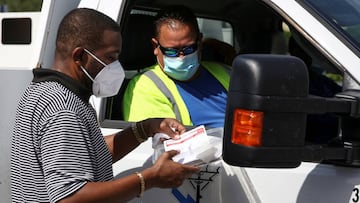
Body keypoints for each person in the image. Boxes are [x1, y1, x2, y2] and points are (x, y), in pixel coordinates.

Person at [10, 8, 200, 203]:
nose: (116, 66)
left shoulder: (45, 91)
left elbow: (88, 155)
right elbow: (70, 198)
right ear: (80, 57)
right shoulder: (63, 107)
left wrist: (144, 128)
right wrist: (150, 179)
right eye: (110, 58)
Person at [122, 5, 231, 128]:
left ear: (200, 42)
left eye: (189, 48)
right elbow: (162, 141)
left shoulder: (227, 72)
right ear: (155, 46)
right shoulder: (145, 86)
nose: (181, 57)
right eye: (171, 51)